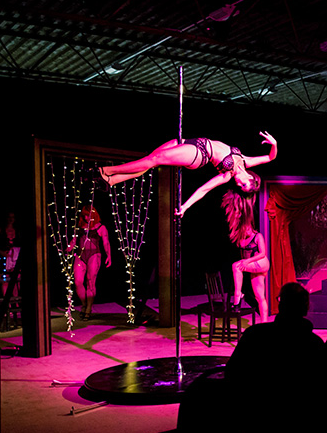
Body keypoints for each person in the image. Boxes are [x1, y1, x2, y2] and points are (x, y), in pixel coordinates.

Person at [97, 132, 277, 216]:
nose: (238, 184)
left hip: (199, 154)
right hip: (191, 141)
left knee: (154, 160)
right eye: (243, 184)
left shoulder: (227, 175)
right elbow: (270, 157)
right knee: (149, 160)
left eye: (240, 187)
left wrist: (185, 206)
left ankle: (106, 171)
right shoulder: (246, 161)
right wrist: (274, 144)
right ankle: (113, 181)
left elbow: (204, 189)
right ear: (251, 178)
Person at [222, 187, 269, 323]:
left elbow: (263, 253)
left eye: (249, 227)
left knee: (236, 266)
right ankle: (264, 323)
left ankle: (238, 295)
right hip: (253, 266)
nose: (247, 229)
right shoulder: (240, 238)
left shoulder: (257, 236)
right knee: (259, 297)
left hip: (262, 262)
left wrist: (247, 262)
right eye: (245, 227)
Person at [69, 206, 112, 320]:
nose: (87, 218)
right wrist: (67, 248)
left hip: (94, 255)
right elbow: (73, 241)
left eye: (89, 215)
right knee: (78, 282)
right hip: (80, 255)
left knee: (90, 281)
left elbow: (106, 242)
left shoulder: (101, 227)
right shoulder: (79, 228)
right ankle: (84, 304)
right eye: (85, 215)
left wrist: (109, 256)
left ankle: (88, 308)